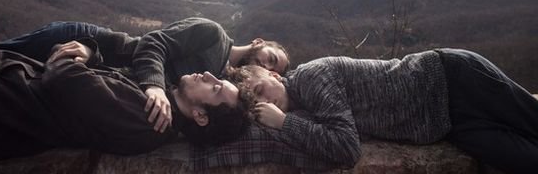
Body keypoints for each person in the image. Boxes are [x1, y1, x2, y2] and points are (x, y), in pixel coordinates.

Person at [0, 4, 252, 161]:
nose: (211, 76)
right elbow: (132, 57)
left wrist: (81, 58)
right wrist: (90, 50)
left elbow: (63, 80)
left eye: (215, 87)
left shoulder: (150, 119)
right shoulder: (160, 95)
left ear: (200, 115)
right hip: (2, 71)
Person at [229, 49, 538, 174]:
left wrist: (284, 123)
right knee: (523, 160)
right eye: (255, 105)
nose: (263, 102)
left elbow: (347, 148)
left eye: (259, 91)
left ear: (274, 76)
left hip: (452, 78)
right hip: (448, 122)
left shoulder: (311, 78)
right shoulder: (304, 109)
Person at [0, 18, 289, 133]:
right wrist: (155, 86)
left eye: (277, 69)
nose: (270, 65)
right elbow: (152, 41)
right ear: (259, 42)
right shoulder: (213, 35)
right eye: (272, 58)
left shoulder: (219, 88)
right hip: (84, 43)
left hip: (90, 69)